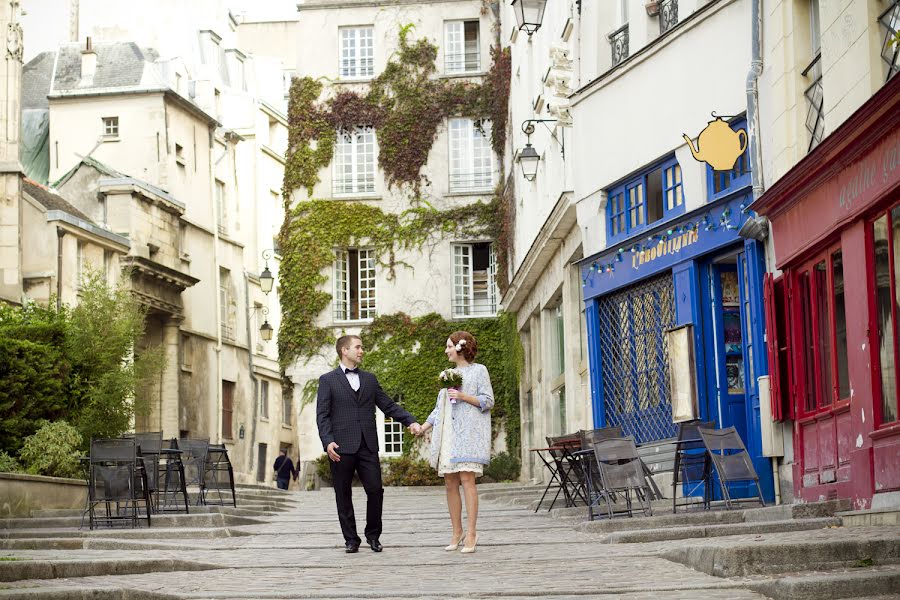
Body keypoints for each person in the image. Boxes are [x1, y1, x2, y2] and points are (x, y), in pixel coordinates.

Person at [316, 334, 422, 553]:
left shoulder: (370, 379)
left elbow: (388, 405)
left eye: (361, 347)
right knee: (342, 494)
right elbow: (322, 415)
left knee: (375, 490)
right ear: (344, 351)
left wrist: (410, 421)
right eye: (358, 347)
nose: (361, 350)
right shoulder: (327, 380)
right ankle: (351, 540)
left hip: (367, 445)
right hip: (340, 447)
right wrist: (327, 442)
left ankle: (373, 536)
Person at [417, 331, 493, 554]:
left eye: (449, 346)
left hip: (469, 432)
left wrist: (463, 397)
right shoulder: (447, 374)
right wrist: (424, 426)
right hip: (448, 432)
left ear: (460, 347)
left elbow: (488, 400)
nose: (446, 350)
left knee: (467, 478)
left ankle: (471, 532)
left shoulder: (479, 370)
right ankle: (456, 531)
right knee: (450, 482)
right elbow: (440, 407)